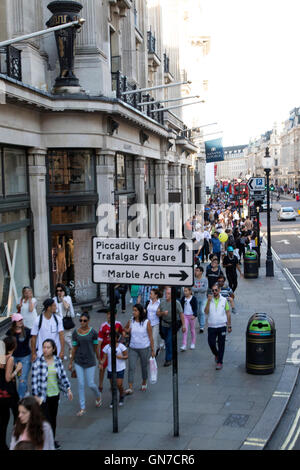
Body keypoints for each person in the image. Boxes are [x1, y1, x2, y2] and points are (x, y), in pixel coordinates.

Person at [31, 339, 73, 449]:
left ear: (53, 349)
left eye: (48, 347)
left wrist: (68, 389)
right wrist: (35, 396)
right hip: (42, 397)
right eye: (44, 347)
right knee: (47, 420)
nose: (45, 350)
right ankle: (45, 442)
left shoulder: (57, 361)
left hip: (55, 394)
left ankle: (51, 440)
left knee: (53, 419)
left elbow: (63, 376)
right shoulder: (38, 362)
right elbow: (34, 381)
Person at [69, 312, 102, 416]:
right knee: (81, 384)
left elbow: (96, 347)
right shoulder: (75, 333)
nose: (82, 322)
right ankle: (82, 407)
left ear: (88, 321)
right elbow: (73, 348)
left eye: (84, 320)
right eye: (80, 320)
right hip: (79, 361)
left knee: (91, 383)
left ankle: (98, 395)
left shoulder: (93, 333)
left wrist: (99, 359)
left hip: (90, 361)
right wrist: (71, 362)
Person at [124, 304, 155, 394]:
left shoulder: (146, 322)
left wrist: (152, 350)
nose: (133, 312)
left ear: (140, 312)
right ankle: (130, 386)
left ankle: (144, 381)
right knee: (131, 367)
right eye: (133, 310)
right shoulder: (131, 321)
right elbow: (125, 329)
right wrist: (126, 332)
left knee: (144, 366)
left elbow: (150, 337)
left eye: (135, 310)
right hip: (133, 347)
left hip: (144, 348)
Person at [0, 337, 21, 450]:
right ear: (13, 346)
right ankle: (16, 440)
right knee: (16, 416)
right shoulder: (10, 359)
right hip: (9, 392)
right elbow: (8, 378)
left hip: (1, 392)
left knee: (3, 418)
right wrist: (17, 369)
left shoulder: (2, 358)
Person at [204, 284, 232, 370]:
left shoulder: (224, 300)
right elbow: (206, 312)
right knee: (211, 343)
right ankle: (216, 354)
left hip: (222, 325)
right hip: (212, 326)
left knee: (221, 344)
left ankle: (220, 361)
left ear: (219, 290)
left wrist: (229, 325)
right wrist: (208, 301)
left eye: (216, 290)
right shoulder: (209, 300)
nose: (214, 292)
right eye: (213, 290)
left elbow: (228, 312)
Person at [156, 287, 186, 367]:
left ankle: (168, 359)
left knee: (169, 341)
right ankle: (172, 353)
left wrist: (184, 325)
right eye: (166, 293)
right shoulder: (162, 302)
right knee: (167, 340)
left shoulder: (177, 303)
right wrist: (162, 313)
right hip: (163, 325)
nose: (166, 295)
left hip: (172, 325)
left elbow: (181, 314)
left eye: (168, 293)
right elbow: (157, 313)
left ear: (172, 294)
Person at [6, 313, 32, 399]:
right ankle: (25, 391)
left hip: (25, 358)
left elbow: (34, 341)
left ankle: (20, 399)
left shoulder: (27, 331)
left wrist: (35, 354)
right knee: (19, 377)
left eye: (21, 319)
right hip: (14, 359)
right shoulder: (10, 332)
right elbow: (6, 344)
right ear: (14, 322)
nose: (21, 321)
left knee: (22, 379)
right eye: (18, 320)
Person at [97, 309, 123, 393]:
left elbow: (122, 334)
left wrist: (121, 346)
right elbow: (99, 341)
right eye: (108, 314)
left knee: (112, 367)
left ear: (115, 315)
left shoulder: (118, 324)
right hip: (105, 350)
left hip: (114, 350)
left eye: (111, 314)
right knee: (102, 368)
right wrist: (98, 355)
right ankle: (100, 384)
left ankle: (113, 385)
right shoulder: (103, 326)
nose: (109, 316)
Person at [100, 332, 128, 408]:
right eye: (109, 337)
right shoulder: (106, 347)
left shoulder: (121, 346)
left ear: (116, 338)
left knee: (119, 384)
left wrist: (121, 357)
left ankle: (121, 395)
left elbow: (126, 356)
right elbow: (104, 358)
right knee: (112, 385)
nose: (110, 338)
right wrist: (101, 363)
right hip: (110, 368)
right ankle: (114, 399)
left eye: (112, 337)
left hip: (120, 368)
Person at [53, 283, 75, 360]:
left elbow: (66, 307)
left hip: (66, 321)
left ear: (63, 291)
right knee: (58, 339)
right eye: (57, 290)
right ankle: (60, 354)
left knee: (67, 339)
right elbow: (54, 311)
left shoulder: (67, 298)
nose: (59, 292)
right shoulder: (54, 299)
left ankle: (71, 349)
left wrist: (62, 298)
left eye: (60, 290)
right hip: (58, 322)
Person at [192, 266, 208, 333]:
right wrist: (200, 289)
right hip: (195, 299)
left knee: (202, 311)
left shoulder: (205, 280)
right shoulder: (193, 280)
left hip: (203, 298)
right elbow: (192, 289)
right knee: (198, 313)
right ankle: (201, 323)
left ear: (201, 272)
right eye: (195, 270)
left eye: (197, 270)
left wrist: (197, 289)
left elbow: (205, 289)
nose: (196, 272)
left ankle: (202, 326)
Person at [146, 288, 161, 356]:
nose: (150, 295)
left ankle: (153, 355)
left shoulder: (159, 303)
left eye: (151, 294)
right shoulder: (148, 302)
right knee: (149, 338)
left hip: (156, 323)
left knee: (154, 338)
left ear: (156, 295)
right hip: (148, 323)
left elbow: (160, 313)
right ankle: (157, 348)